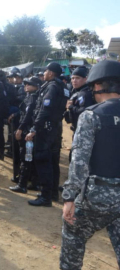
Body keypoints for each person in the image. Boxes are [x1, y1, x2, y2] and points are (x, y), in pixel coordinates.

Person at [60, 60, 120, 270]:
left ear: (96, 86)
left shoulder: (92, 114)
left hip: (96, 197)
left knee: (73, 238)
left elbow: (79, 162)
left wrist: (69, 196)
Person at [25, 62, 69, 206]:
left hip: (45, 129)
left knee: (43, 160)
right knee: (52, 162)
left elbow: (44, 110)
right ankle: (52, 194)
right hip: (55, 129)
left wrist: (34, 129)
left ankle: (45, 197)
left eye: (45, 71)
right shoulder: (62, 87)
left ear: (51, 73)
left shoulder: (52, 87)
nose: (43, 74)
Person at [9, 77, 42, 193]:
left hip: (27, 132)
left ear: (37, 86)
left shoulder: (33, 98)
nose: (26, 86)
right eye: (26, 84)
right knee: (29, 158)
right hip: (30, 131)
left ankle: (22, 184)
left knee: (26, 158)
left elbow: (28, 116)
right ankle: (32, 182)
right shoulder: (30, 96)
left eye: (30, 84)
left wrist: (20, 129)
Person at [64, 66, 95, 136]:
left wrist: (71, 107)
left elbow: (85, 111)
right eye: (72, 78)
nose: (74, 81)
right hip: (77, 129)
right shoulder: (77, 91)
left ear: (85, 79)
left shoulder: (85, 94)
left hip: (83, 131)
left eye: (78, 78)